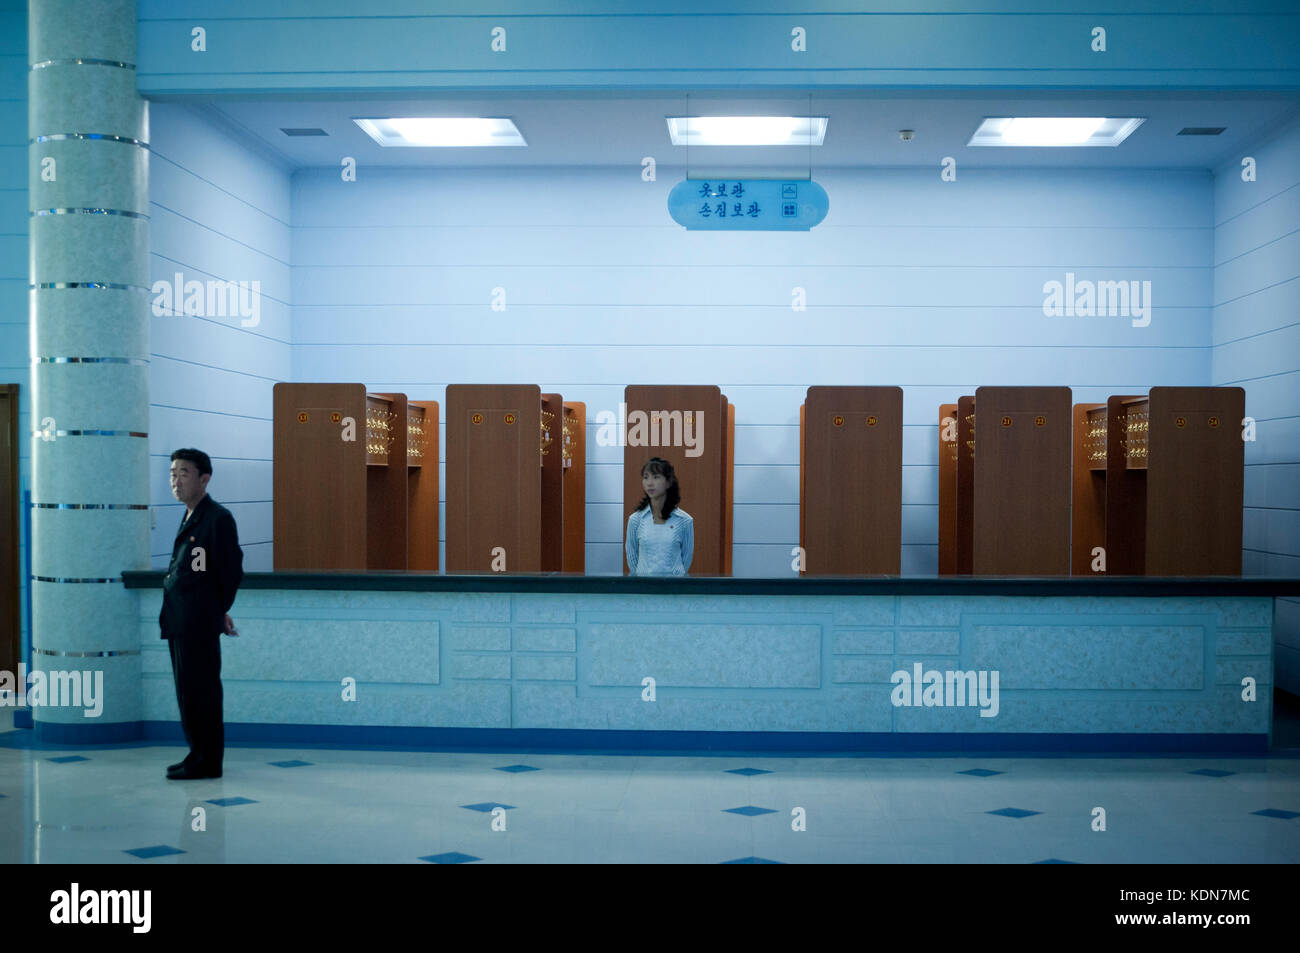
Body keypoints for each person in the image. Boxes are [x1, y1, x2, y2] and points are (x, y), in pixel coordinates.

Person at [159, 449, 243, 780]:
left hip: (197, 623)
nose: (176, 481)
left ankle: (208, 761)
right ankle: (197, 753)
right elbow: (198, 569)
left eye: (183, 474)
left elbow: (229, 572)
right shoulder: (191, 515)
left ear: (204, 478)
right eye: (172, 474)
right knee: (187, 692)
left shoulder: (216, 519)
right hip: (182, 620)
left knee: (202, 693)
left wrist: (217, 609)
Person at [625, 457, 694, 576]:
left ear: (668, 482)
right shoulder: (635, 520)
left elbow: (686, 559)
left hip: (675, 588)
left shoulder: (685, 520)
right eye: (646, 477)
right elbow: (632, 558)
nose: (650, 483)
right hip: (644, 588)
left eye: (656, 477)